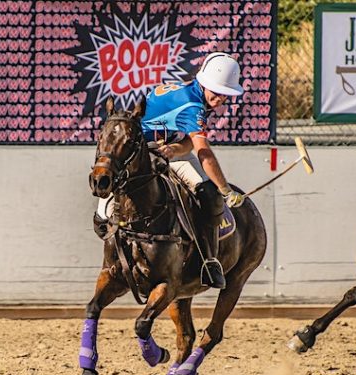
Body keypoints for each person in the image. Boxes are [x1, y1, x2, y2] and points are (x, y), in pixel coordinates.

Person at [94, 52, 246, 289]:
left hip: (162, 152)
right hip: (140, 153)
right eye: (217, 92)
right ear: (204, 84)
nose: (220, 99)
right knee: (213, 196)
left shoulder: (190, 93)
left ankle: (208, 259)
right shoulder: (193, 105)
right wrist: (226, 190)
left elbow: (187, 141)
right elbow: (203, 153)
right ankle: (209, 261)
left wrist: (175, 149)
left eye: (225, 95)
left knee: (205, 194)